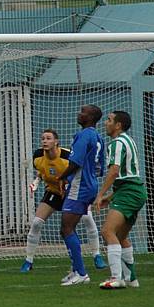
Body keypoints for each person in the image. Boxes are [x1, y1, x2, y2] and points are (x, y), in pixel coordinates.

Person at [20, 129, 106, 273]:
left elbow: (79, 171)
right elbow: (41, 172)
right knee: (36, 223)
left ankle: (97, 255)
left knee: (87, 219)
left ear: (56, 142)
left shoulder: (67, 156)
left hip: (72, 192)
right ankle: (28, 261)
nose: (45, 141)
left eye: (48, 138)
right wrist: (36, 181)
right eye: (43, 139)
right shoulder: (38, 156)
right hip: (53, 192)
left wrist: (67, 184)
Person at [94, 111, 147, 289]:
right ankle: (131, 279)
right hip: (133, 191)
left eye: (109, 120)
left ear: (118, 125)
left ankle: (116, 277)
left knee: (107, 231)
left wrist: (101, 194)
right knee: (121, 236)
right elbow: (127, 174)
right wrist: (111, 197)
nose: (105, 123)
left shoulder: (116, 143)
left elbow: (115, 171)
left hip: (129, 191)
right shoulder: (128, 140)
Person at [57, 104, 105, 286]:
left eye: (83, 111)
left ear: (91, 117)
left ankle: (82, 273)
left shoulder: (84, 135)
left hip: (80, 185)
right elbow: (99, 166)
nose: (79, 113)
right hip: (89, 183)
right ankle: (77, 269)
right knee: (69, 227)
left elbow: (75, 162)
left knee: (67, 228)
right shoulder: (98, 137)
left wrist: (61, 178)